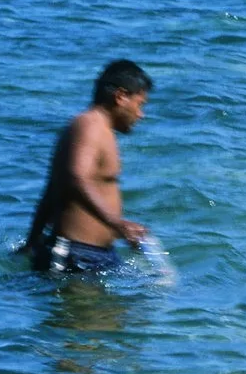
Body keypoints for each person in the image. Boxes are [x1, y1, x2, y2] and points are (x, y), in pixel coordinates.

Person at [21, 59, 153, 277]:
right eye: (140, 104)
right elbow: (75, 178)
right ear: (120, 97)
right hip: (75, 254)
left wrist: (32, 241)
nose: (141, 114)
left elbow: (53, 189)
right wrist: (117, 224)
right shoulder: (89, 125)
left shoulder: (101, 129)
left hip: (93, 254)